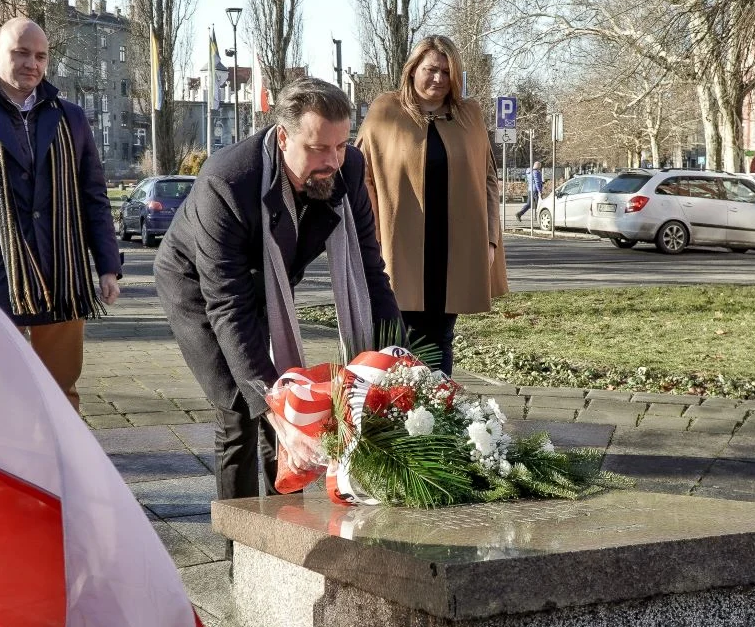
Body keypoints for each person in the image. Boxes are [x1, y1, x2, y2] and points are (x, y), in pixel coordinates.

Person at [155, 77, 400, 503]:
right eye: (319, 148)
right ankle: (242, 547)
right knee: (240, 411)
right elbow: (227, 306)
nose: (334, 161)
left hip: (271, 285)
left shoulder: (350, 168)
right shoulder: (226, 182)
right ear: (283, 138)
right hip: (199, 287)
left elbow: (370, 271)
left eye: (341, 146)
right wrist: (273, 408)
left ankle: (286, 531)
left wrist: (397, 361)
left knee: (290, 405)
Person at [0, 18, 121, 412]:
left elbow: (93, 198)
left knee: (61, 396)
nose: (32, 63)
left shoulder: (72, 118)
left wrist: (107, 266)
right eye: (21, 52)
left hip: (62, 279)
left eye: (41, 55)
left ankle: (62, 473)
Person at [355, 35, 508, 376]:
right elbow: (360, 176)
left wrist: (490, 240)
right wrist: (374, 237)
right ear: (412, 70)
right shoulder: (385, 111)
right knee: (398, 337)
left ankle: (441, 413)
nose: (438, 78)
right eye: (430, 69)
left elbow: (488, 180)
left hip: (451, 250)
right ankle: (399, 419)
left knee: (441, 337)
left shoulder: (469, 115)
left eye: (447, 71)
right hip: (397, 248)